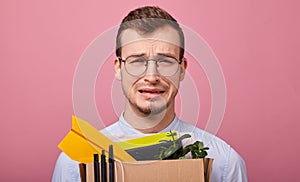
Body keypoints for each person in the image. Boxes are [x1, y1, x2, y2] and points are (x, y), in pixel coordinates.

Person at [52, 6, 248, 182]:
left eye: (166, 61)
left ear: (182, 69)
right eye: (137, 61)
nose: (152, 76)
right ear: (118, 68)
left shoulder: (225, 164)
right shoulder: (74, 164)